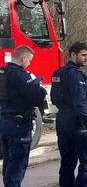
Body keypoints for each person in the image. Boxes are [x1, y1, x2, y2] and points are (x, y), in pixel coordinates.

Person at [0, 45, 46, 187]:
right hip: (19, 125)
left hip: (4, 123)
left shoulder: (2, 72)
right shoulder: (20, 75)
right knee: (17, 165)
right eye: (30, 60)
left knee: (8, 161)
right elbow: (38, 97)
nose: (29, 63)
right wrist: (39, 87)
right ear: (22, 58)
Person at [51, 42, 87, 187]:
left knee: (67, 161)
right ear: (73, 55)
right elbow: (80, 102)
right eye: (83, 55)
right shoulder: (75, 75)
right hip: (77, 121)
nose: (86, 58)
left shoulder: (58, 73)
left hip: (62, 119)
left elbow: (54, 98)